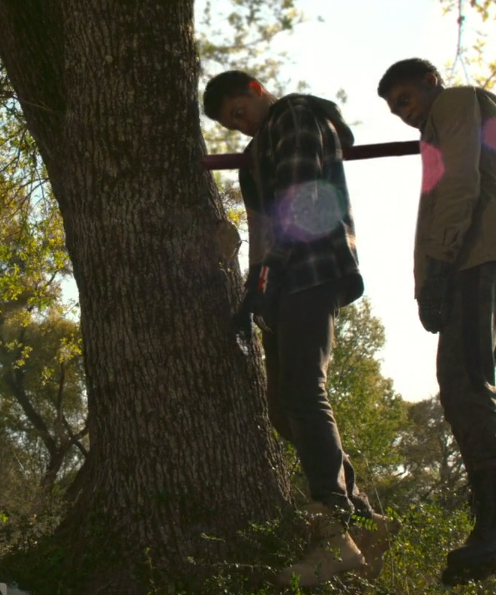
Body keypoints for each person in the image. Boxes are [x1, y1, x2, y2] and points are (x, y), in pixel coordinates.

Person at [202, 70, 397, 587]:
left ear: (256, 90)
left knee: (305, 392)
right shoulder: (262, 143)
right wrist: (254, 291)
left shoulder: (294, 117)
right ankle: (361, 520)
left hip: (309, 267)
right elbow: (263, 222)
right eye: (230, 124)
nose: (238, 126)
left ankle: (334, 528)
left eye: (238, 112)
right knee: (283, 408)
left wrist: (267, 276)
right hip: (278, 282)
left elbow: (300, 199)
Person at [375, 58, 496, 586]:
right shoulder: (443, 123)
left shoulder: (454, 103)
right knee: (463, 378)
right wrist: (429, 280)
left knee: (463, 377)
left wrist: (439, 272)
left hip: (481, 252)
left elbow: (458, 186)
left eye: (404, 100)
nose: (402, 115)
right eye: (394, 110)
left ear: (430, 82)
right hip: (482, 253)